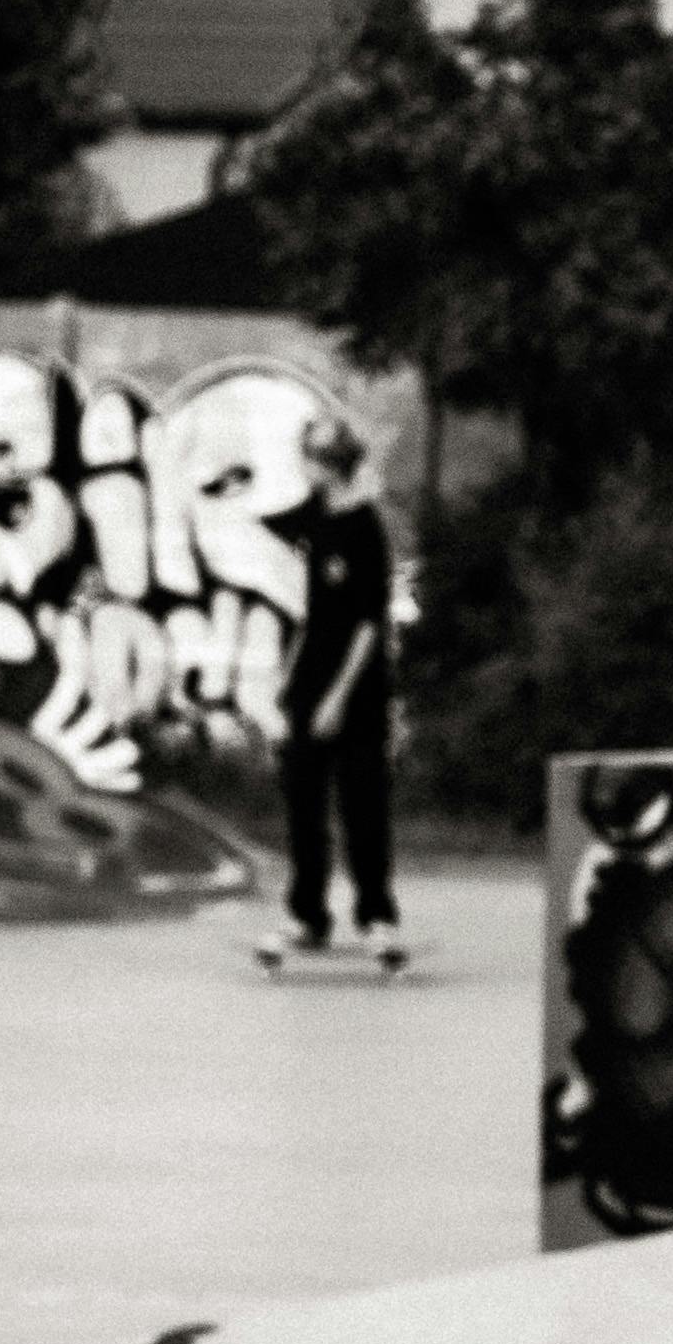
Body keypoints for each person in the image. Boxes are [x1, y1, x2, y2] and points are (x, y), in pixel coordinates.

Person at [271, 410, 401, 967]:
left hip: (356, 688)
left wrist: (338, 698)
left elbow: (371, 623)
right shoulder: (317, 519)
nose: (301, 468)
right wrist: (289, 676)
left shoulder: (365, 526)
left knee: (362, 805)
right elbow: (314, 613)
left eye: (308, 458)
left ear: (330, 465)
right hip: (310, 680)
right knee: (304, 802)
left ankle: (376, 917)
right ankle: (308, 915)